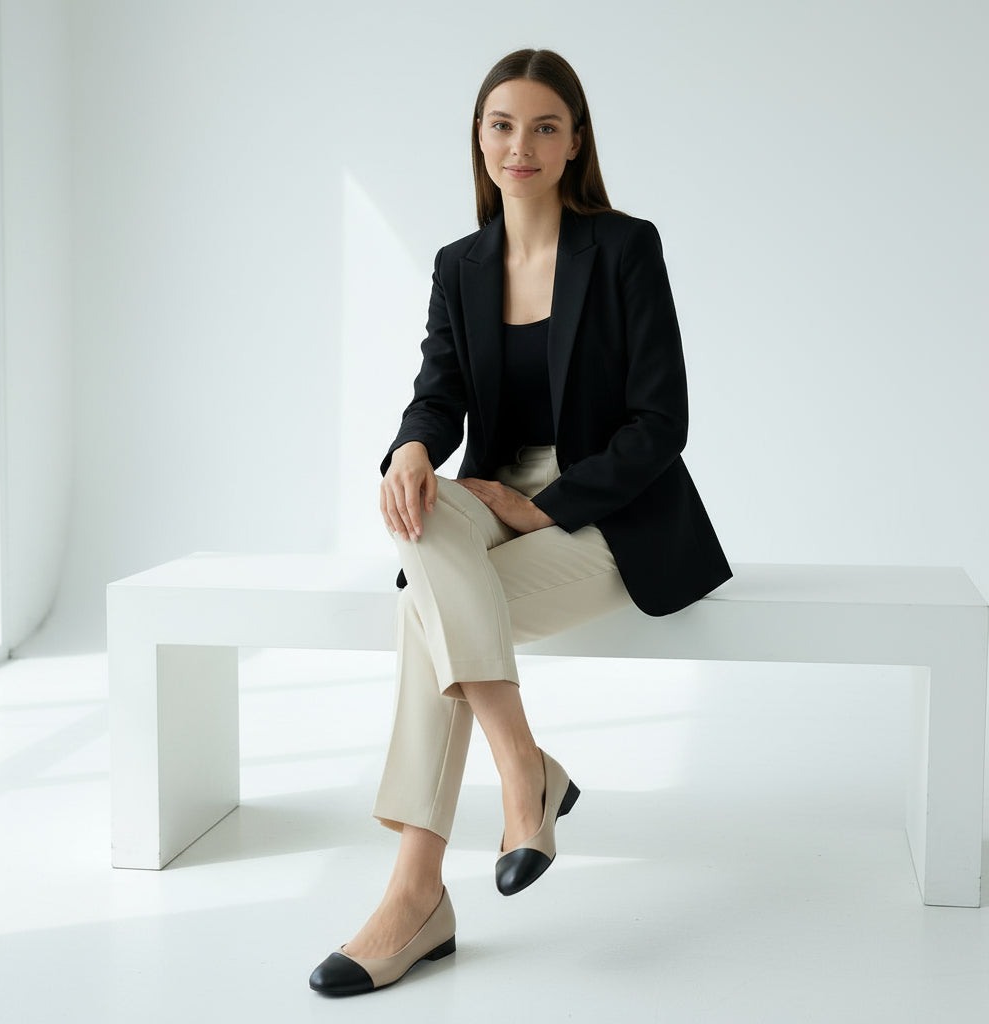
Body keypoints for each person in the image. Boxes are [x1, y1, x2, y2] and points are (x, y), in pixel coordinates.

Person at [309, 47, 731, 996]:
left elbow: (660, 424)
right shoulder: (459, 265)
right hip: (494, 501)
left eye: (545, 126)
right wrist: (412, 448)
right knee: (417, 508)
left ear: (576, 141)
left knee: (425, 609)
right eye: (502, 125)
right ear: (479, 137)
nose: (521, 145)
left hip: (611, 513)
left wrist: (544, 505)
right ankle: (523, 766)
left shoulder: (625, 247)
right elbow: (437, 396)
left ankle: (415, 896)